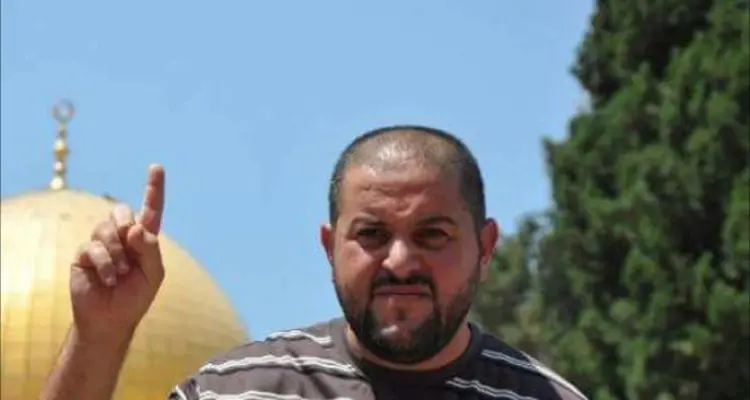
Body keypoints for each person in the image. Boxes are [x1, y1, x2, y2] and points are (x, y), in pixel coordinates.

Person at [41, 126, 587, 400]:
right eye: (371, 234)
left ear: (485, 248)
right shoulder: (246, 391)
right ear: (329, 247)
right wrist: (100, 334)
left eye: (432, 235)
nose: (400, 262)